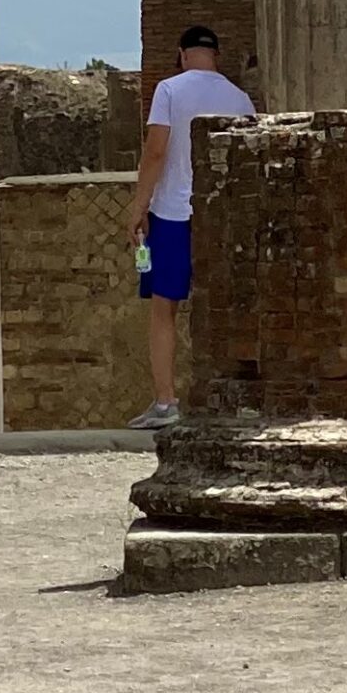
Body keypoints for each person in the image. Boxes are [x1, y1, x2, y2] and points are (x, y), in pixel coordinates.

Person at [124, 24, 255, 429]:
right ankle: (227, 396)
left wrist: (138, 205)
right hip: (222, 217)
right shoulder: (240, 98)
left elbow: (156, 150)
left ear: (182, 54)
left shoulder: (169, 90)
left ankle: (166, 401)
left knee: (164, 309)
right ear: (216, 55)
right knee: (224, 308)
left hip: (172, 213)